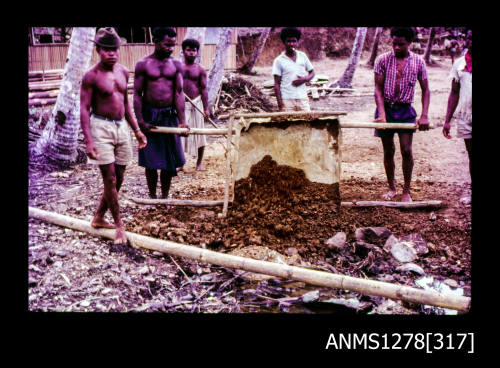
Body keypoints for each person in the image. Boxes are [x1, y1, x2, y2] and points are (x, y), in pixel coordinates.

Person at [80, 27, 147, 245]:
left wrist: (136, 130)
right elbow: (84, 108)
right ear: (98, 50)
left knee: (120, 177)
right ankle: (119, 225)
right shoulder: (91, 76)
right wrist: (88, 140)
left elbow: (125, 103)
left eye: (115, 50)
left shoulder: (123, 72)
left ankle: (99, 216)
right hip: (100, 127)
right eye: (107, 50)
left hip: (121, 127)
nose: (112, 54)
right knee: (108, 178)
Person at [373, 27, 430, 202]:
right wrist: (382, 114)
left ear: (409, 43)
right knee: (388, 150)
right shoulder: (382, 60)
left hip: (405, 110)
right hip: (386, 109)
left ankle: (406, 190)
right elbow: (378, 89)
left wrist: (424, 115)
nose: (397, 47)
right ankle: (392, 187)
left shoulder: (418, 62)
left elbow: (426, 90)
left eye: (401, 44)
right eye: (394, 43)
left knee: (406, 150)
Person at [133, 27, 188, 201]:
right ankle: (152, 196)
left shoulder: (176, 65)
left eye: (173, 45)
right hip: (150, 116)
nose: (171, 48)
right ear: (156, 42)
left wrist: (182, 122)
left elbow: (179, 94)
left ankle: (164, 197)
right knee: (151, 160)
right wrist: (140, 121)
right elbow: (137, 94)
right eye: (167, 44)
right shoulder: (143, 64)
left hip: (169, 116)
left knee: (168, 160)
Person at [443, 29, 472, 179]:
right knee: (471, 156)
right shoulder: (459, 64)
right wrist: (447, 120)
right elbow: (454, 92)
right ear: (466, 40)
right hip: (466, 116)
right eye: (470, 38)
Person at [179, 38, 210, 171]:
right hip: (182, 104)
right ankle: (180, 163)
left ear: (197, 52)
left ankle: (199, 163)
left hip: (197, 103)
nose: (191, 53)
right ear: (183, 51)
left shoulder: (200, 69)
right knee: (180, 134)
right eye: (188, 50)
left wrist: (206, 108)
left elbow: (203, 89)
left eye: (194, 50)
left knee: (200, 134)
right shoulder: (177, 68)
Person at [272, 27, 315, 112]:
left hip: (302, 99)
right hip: (287, 100)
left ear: (297, 42)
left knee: (306, 123)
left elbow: (312, 72)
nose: (291, 44)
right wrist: (280, 105)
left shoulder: (303, 56)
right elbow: (277, 84)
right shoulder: (279, 60)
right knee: (289, 124)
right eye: (288, 41)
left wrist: (304, 79)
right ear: (284, 42)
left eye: (294, 41)